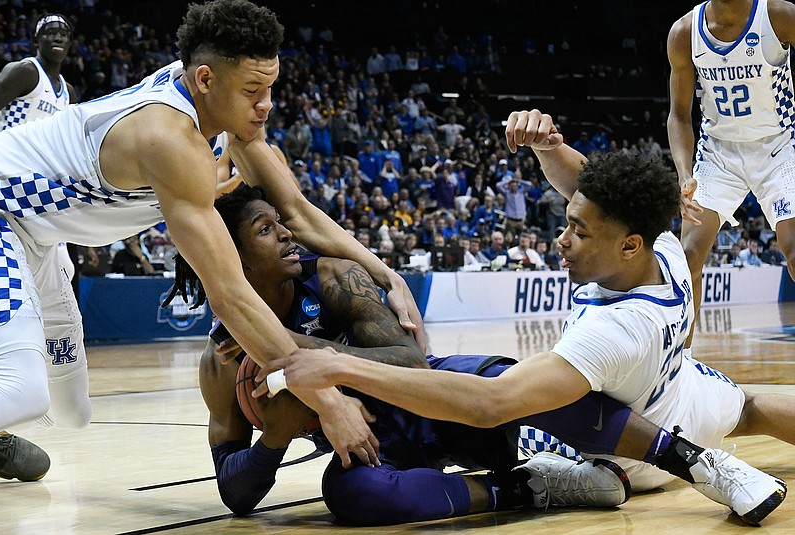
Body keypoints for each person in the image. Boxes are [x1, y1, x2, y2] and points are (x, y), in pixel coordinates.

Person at [266, 110, 792, 526]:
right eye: (567, 224)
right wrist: (551, 146)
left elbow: (489, 405)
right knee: (748, 407)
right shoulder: (663, 248)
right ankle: (701, 456)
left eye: (578, 234)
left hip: (613, 454)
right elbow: (599, 191)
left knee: (486, 385)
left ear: (630, 244)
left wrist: (338, 365)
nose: (561, 240)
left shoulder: (610, 330)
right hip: (684, 399)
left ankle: (551, 483)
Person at [0, 0, 423, 482]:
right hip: (0, 215)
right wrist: (327, 401)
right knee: (23, 392)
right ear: (205, 79)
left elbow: (297, 212)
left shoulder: (217, 110)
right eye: (253, 90)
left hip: (40, 237)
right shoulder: (170, 138)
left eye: (270, 88)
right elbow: (230, 293)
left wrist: (389, 276)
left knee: (73, 411)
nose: (267, 104)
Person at [182, 185, 630, 524]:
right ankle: (524, 487)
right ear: (234, 261)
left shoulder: (337, 277)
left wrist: (294, 345)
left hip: (435, 402)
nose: (285, 234)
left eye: (281, 222)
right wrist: (273, 440)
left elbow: (411, 361)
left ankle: (666, 449)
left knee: (513, 387)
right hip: (373, 447)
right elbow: (235, 494)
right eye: (266, 230)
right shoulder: (221, 361)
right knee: (354, 498)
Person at [667, 0, 795, 351]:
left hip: (779, 145)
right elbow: (678, 116)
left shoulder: (779, 15)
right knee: (688, 255)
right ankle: (680, 363)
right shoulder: (684, 33)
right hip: (718, 154)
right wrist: (683, 176)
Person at [0, 13, 79, 482]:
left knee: (56, 284)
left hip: (37, 206)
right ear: (36, 39)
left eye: (64, 33)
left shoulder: (65, 94)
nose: (58, 39)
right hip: (4, 191)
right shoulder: (25, 73)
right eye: (50, 32)